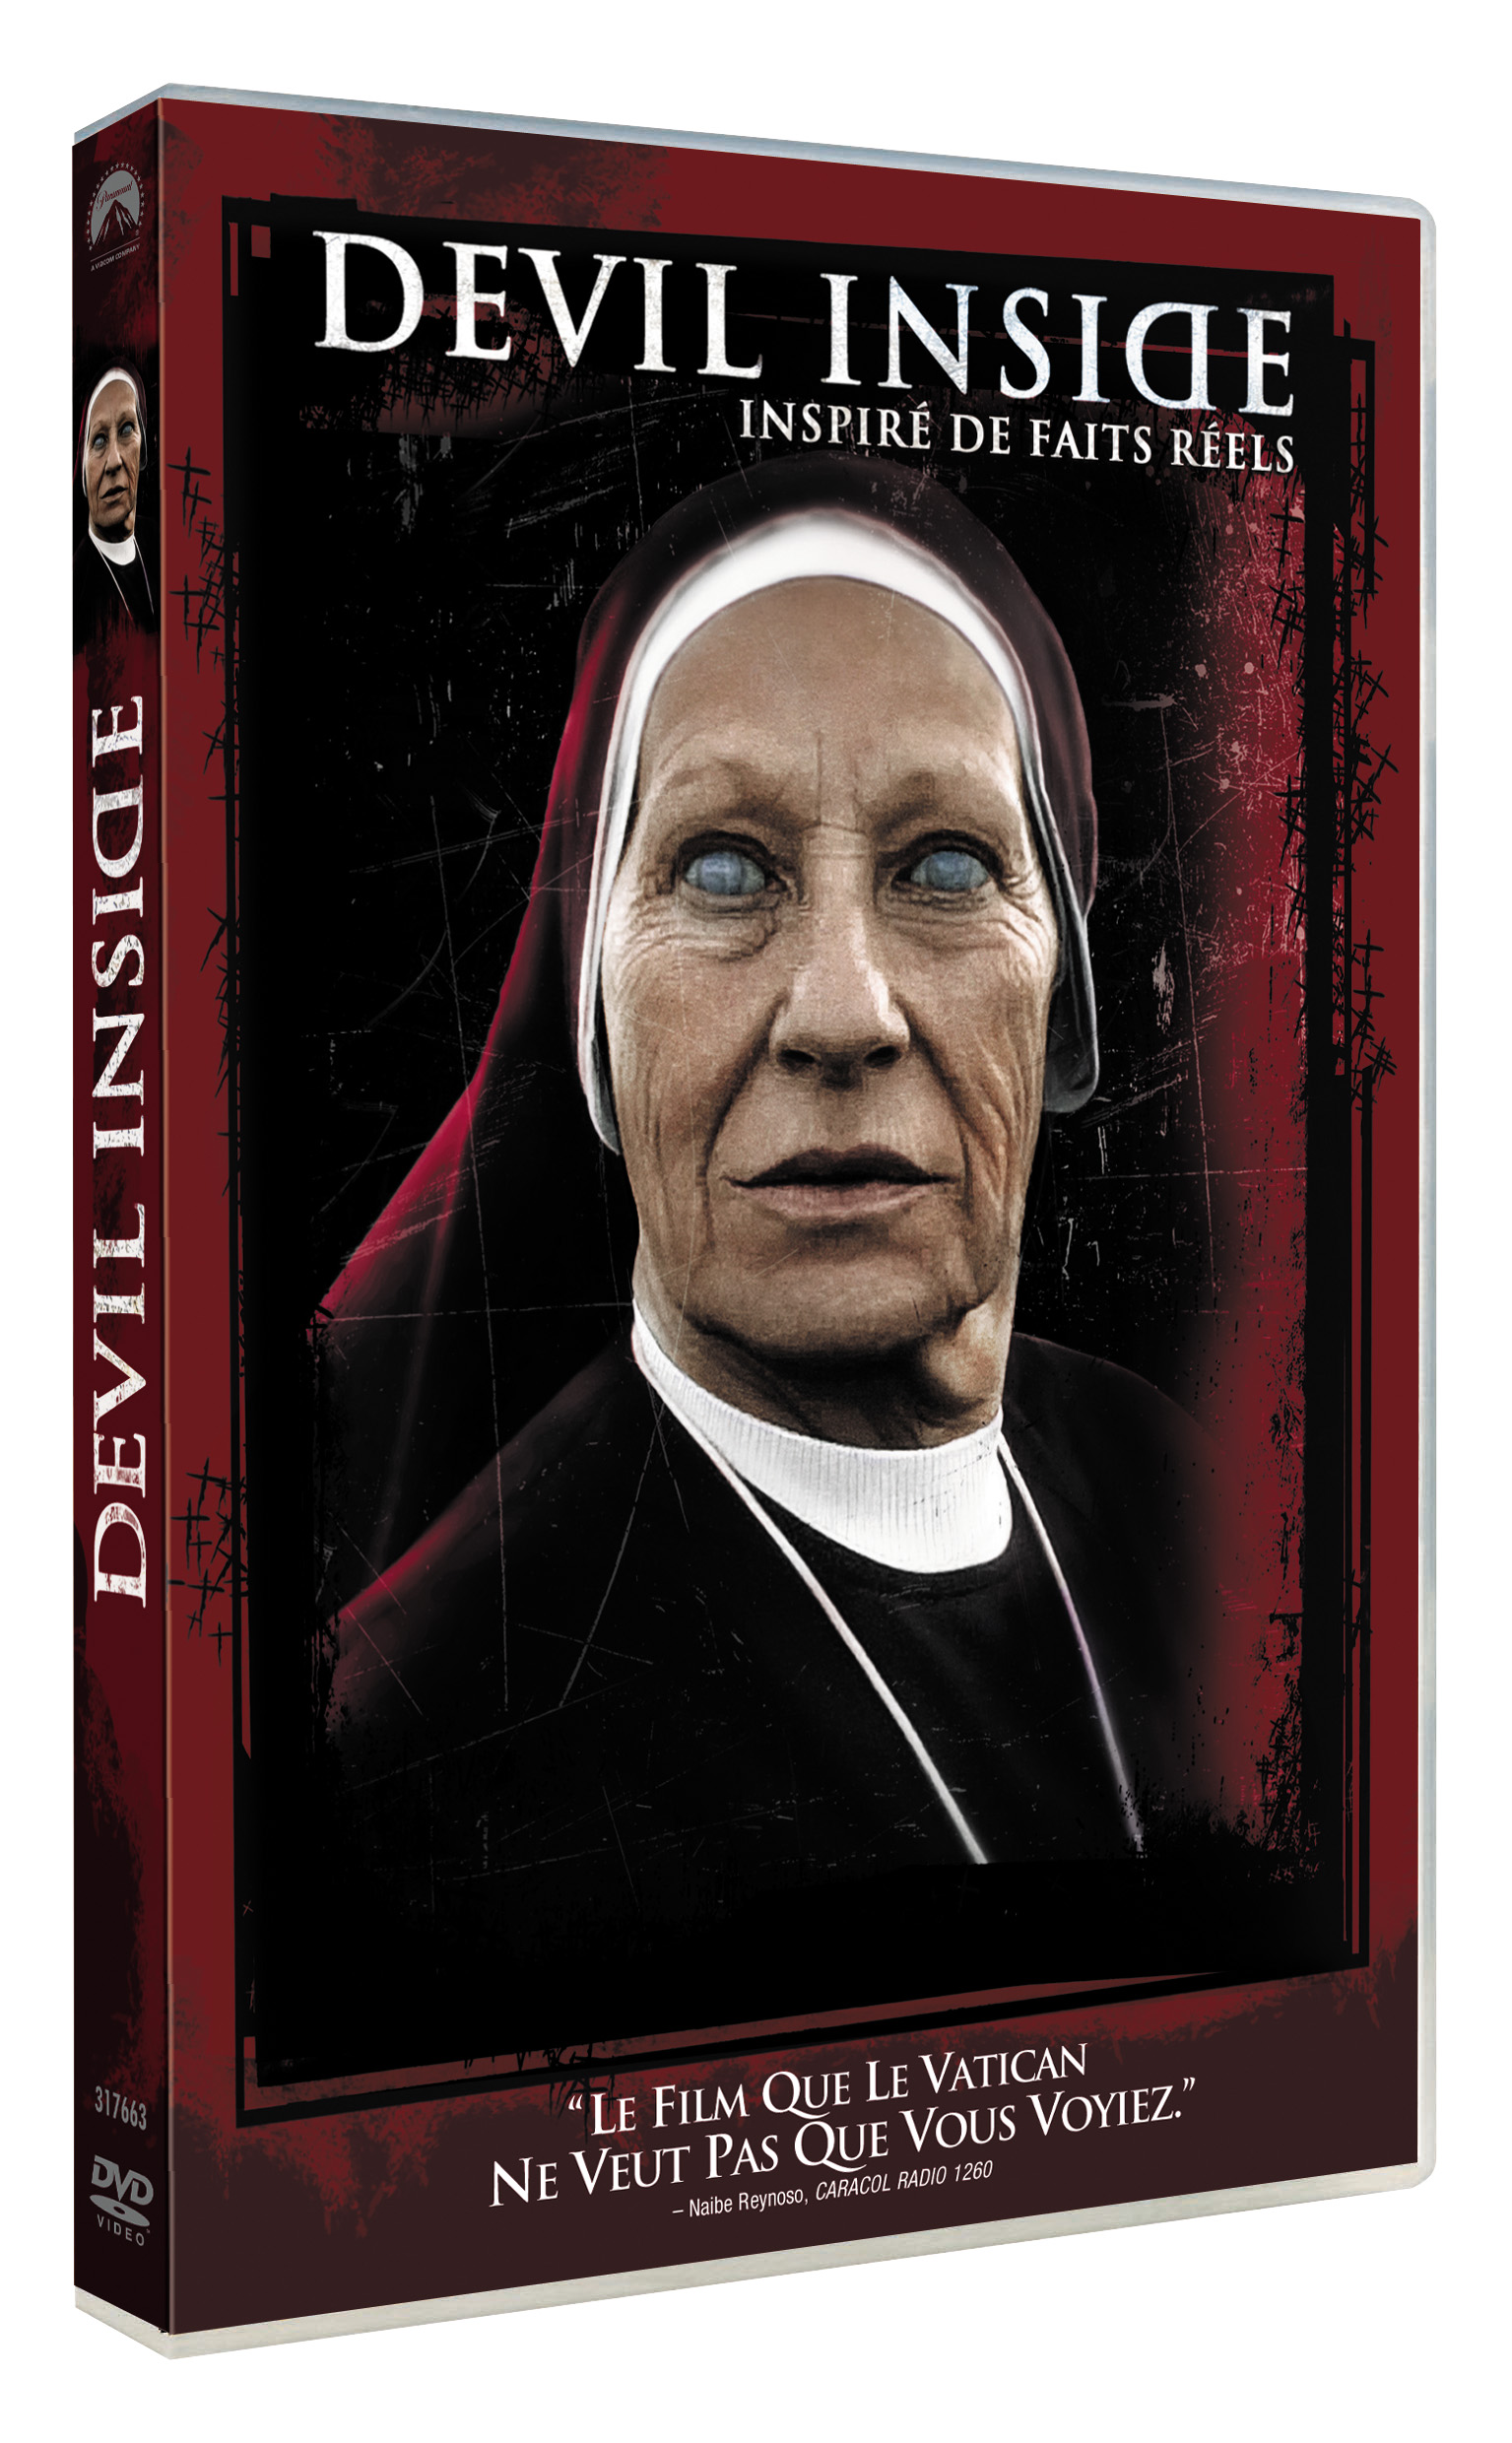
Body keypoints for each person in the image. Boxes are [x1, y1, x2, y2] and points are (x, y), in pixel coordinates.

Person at [298, 456, 1255, 2070]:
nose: (840, 1014)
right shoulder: (415, 1749)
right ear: (593, 1020)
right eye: (723, 870)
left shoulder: (1179, 1495)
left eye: (942, 867)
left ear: (1063, 987)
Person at [74, 363, 155, 645]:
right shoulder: (73, 594)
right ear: (82, 470)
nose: (114, 462)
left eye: (126, 429)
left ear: (143, 450)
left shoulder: (166, 543)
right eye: (98, 440)